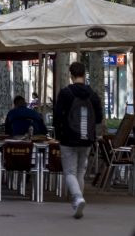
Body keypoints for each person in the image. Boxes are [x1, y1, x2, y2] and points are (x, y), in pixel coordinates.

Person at [53, 62, 103, 219]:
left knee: (69, 172)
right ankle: (78, 202)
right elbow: (99, 118)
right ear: (85, 74)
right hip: (87, 138)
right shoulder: (93, 94)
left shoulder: (65, 93)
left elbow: (57, 116)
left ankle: (77, 198)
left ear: (71, 75)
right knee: (80, 171)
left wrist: (59, 133)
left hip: (68, 138)